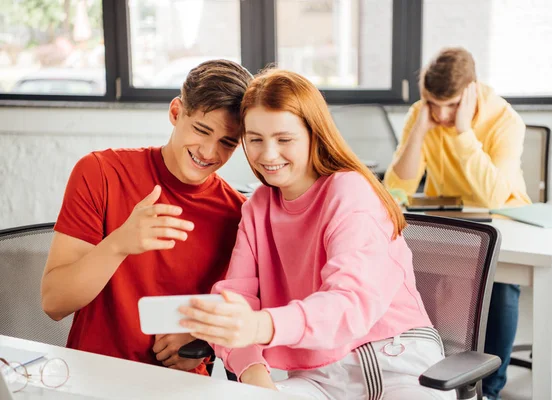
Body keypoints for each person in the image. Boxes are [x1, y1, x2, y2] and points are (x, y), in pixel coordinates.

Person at [178, 68, 456, 400]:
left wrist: (259, 325)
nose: (267, 155)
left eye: (284, 139)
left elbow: (349, 305)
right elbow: (234, 301)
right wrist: (256, 378)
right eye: (255, 139)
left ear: (314, 134)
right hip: (319, 377)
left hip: (395, 363)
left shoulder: (348, 189)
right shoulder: (258, 208)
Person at [41, 60, 253, 376]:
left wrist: (204, 341)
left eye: (227, 143)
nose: (209, 152)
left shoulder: (238, 216)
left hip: (180, 386)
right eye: (201, 130)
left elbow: (245, 316)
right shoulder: (100, 172)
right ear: (176, 112)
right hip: (94, 377)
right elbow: (54, 303)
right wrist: (118, 244)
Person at [383, 47, 531, 399]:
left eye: (450, 104)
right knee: (414, 281)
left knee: (501, 286)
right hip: (448, 225)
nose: (442, 114)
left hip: (503, 223)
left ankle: (489, 390)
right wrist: (420, 129)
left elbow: (493, 196)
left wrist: (464, 134)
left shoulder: (506, 121)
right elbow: (396, 186)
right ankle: (430, 380)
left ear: (471, 91)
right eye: (433, 102)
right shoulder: (424, 114)